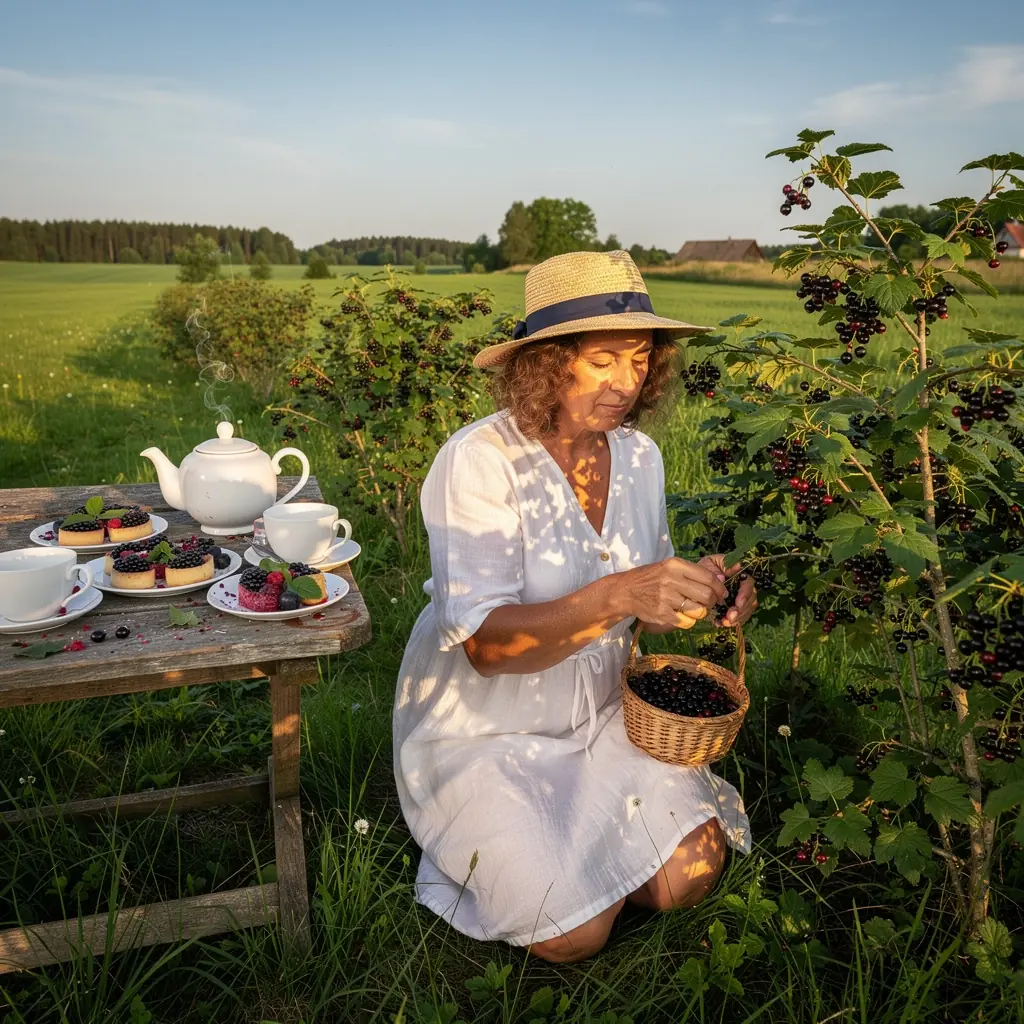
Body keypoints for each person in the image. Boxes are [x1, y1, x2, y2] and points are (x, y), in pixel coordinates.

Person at [392, 250, 757, 963]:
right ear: (548, 363)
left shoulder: (641, 456)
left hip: (607, 717)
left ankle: (583, 852)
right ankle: (525, 851)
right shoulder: (481, 461)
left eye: (641, 360)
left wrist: (697, 592)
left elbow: (644, 605)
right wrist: (623, 591)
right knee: (573, 934)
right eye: (604, 361)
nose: (627, 383)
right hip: (487, 732)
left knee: (692, 874)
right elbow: (488, 649)